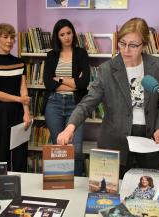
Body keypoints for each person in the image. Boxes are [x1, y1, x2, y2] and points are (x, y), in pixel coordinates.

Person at [57, 17, 159, 177]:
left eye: (133, 45)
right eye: (122, 43)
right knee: (112, 195)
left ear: (144, 45)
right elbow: (87, 103)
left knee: (146, 191)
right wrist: (70, 127)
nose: (126, 50)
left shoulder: (156, 66)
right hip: (114, 142)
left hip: (149, 141)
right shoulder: (107, 69)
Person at [43, 19, 90, 176]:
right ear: (57, 37)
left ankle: (75, 184)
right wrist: (73, 83)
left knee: (76, 149)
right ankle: (59, 185)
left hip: (76, 105)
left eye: (69, 33)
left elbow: (83, 83)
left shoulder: (81, 53)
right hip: (54, 104)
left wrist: (60, 79)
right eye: (62, 34)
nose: (66, 37)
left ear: (73, 33)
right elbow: (48, 83)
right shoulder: (51, 55)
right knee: (58, 148)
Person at [0, 23, 30, 172]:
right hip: (0, 113)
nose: (9, 41)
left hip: (19, 112)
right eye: (5, 37)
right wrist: (19, 99)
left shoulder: (20, 62)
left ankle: (20, 190)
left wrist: (27, 112)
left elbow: (23, 88)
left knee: (20, 155)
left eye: (12, 37)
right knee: (3, 153)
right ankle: (5, 190)